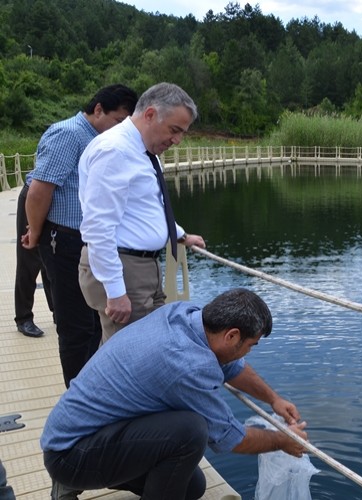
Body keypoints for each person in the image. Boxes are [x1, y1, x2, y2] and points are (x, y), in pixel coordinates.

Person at [40, 288, 308, 499]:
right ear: (232, 336)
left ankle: (77, 478)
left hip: (83, 435)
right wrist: (282, 441)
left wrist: (274, 399)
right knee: (190, 431)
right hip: (69, 455)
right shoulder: (189, 364)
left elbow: (231, 364)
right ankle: (68, 482)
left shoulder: (185, 314)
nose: (249, 351)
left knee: (191, 487)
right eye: (251, 345)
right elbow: (230, 438)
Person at [21, 84, 138, 387]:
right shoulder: (69, 134)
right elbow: (38, 191)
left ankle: (92, 393)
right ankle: (77, 402)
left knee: (94, 324)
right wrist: (34, 234)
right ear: (98, 109)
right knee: (75, 327)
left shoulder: (100, 139)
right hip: (65, 241)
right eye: (118, 121)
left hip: (89, 242)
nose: (121, 129)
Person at [78, 82, 205, 343]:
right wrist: (115, 291)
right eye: (174, 130)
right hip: (124, 269)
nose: (177, 140)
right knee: (129, 359)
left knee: (148, 349)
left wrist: (179, 234)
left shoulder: (146, 152)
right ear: (149, 114)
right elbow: (98, 228)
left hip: (144, 267)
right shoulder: (115, 151)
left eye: (183, 133)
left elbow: (148, 206)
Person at [14, 178, 53, 338]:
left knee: (52, 258)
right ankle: (23, 317)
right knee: (28, 260)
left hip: (54, 199)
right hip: (35, 196)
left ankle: (57, 310)